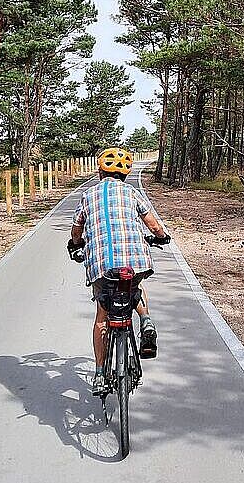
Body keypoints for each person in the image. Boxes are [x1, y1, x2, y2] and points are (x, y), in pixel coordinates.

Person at [67, 147, 170, 396]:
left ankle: (101, 374)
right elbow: (153, 224)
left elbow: (76, 228)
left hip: (102, 266)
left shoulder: (88, 195)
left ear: (100, 171)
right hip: (135, 261)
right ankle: (145, 321)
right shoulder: (132, 193)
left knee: (102, 316)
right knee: (136, 286)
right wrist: (162, 236)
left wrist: (75, 244)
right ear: (126, 174)